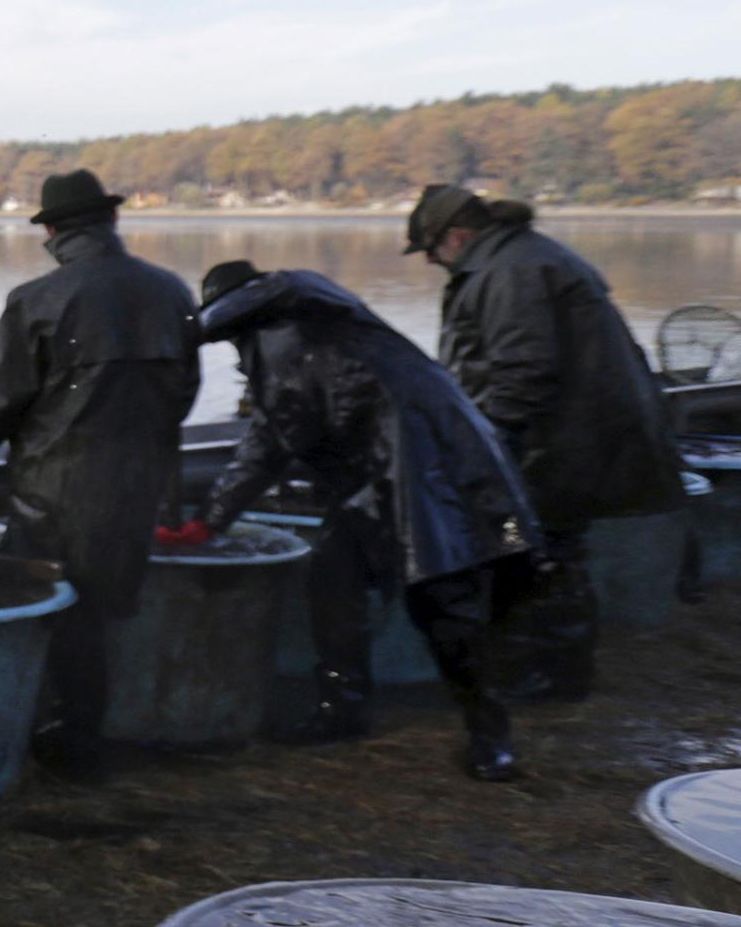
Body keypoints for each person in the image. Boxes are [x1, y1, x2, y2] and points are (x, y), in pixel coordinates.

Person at [179, 261, 538, 780]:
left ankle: (490, 734)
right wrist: (210, 521)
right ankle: (340, 709)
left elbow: (283, 291)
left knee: (443, 600)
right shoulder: (274, 351)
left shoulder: (305, 298)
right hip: (375, 483)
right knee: (332, 576)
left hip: (427, 466)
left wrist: (179, 333)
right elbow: (270, 441)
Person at [0, 170, 198, 778]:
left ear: (51, 230)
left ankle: (66, 747)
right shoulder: (173, 291)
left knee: (51, 613)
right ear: (111, 220)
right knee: (99, 614)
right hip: (137, 487)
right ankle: (83, 737)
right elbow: (185, 392)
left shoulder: (38, 299)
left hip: (54, 492)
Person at [405, 186, 687, 700]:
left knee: (536, 548)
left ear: (456, 235)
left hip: (558, 444)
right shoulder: (523, 256)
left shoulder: (508, 272)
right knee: (545, 547)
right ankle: (552, 668)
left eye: (430, 249)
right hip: (574, 437)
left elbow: (522, 372)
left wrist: (489, 451)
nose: (429, 261)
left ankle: (549, 674)